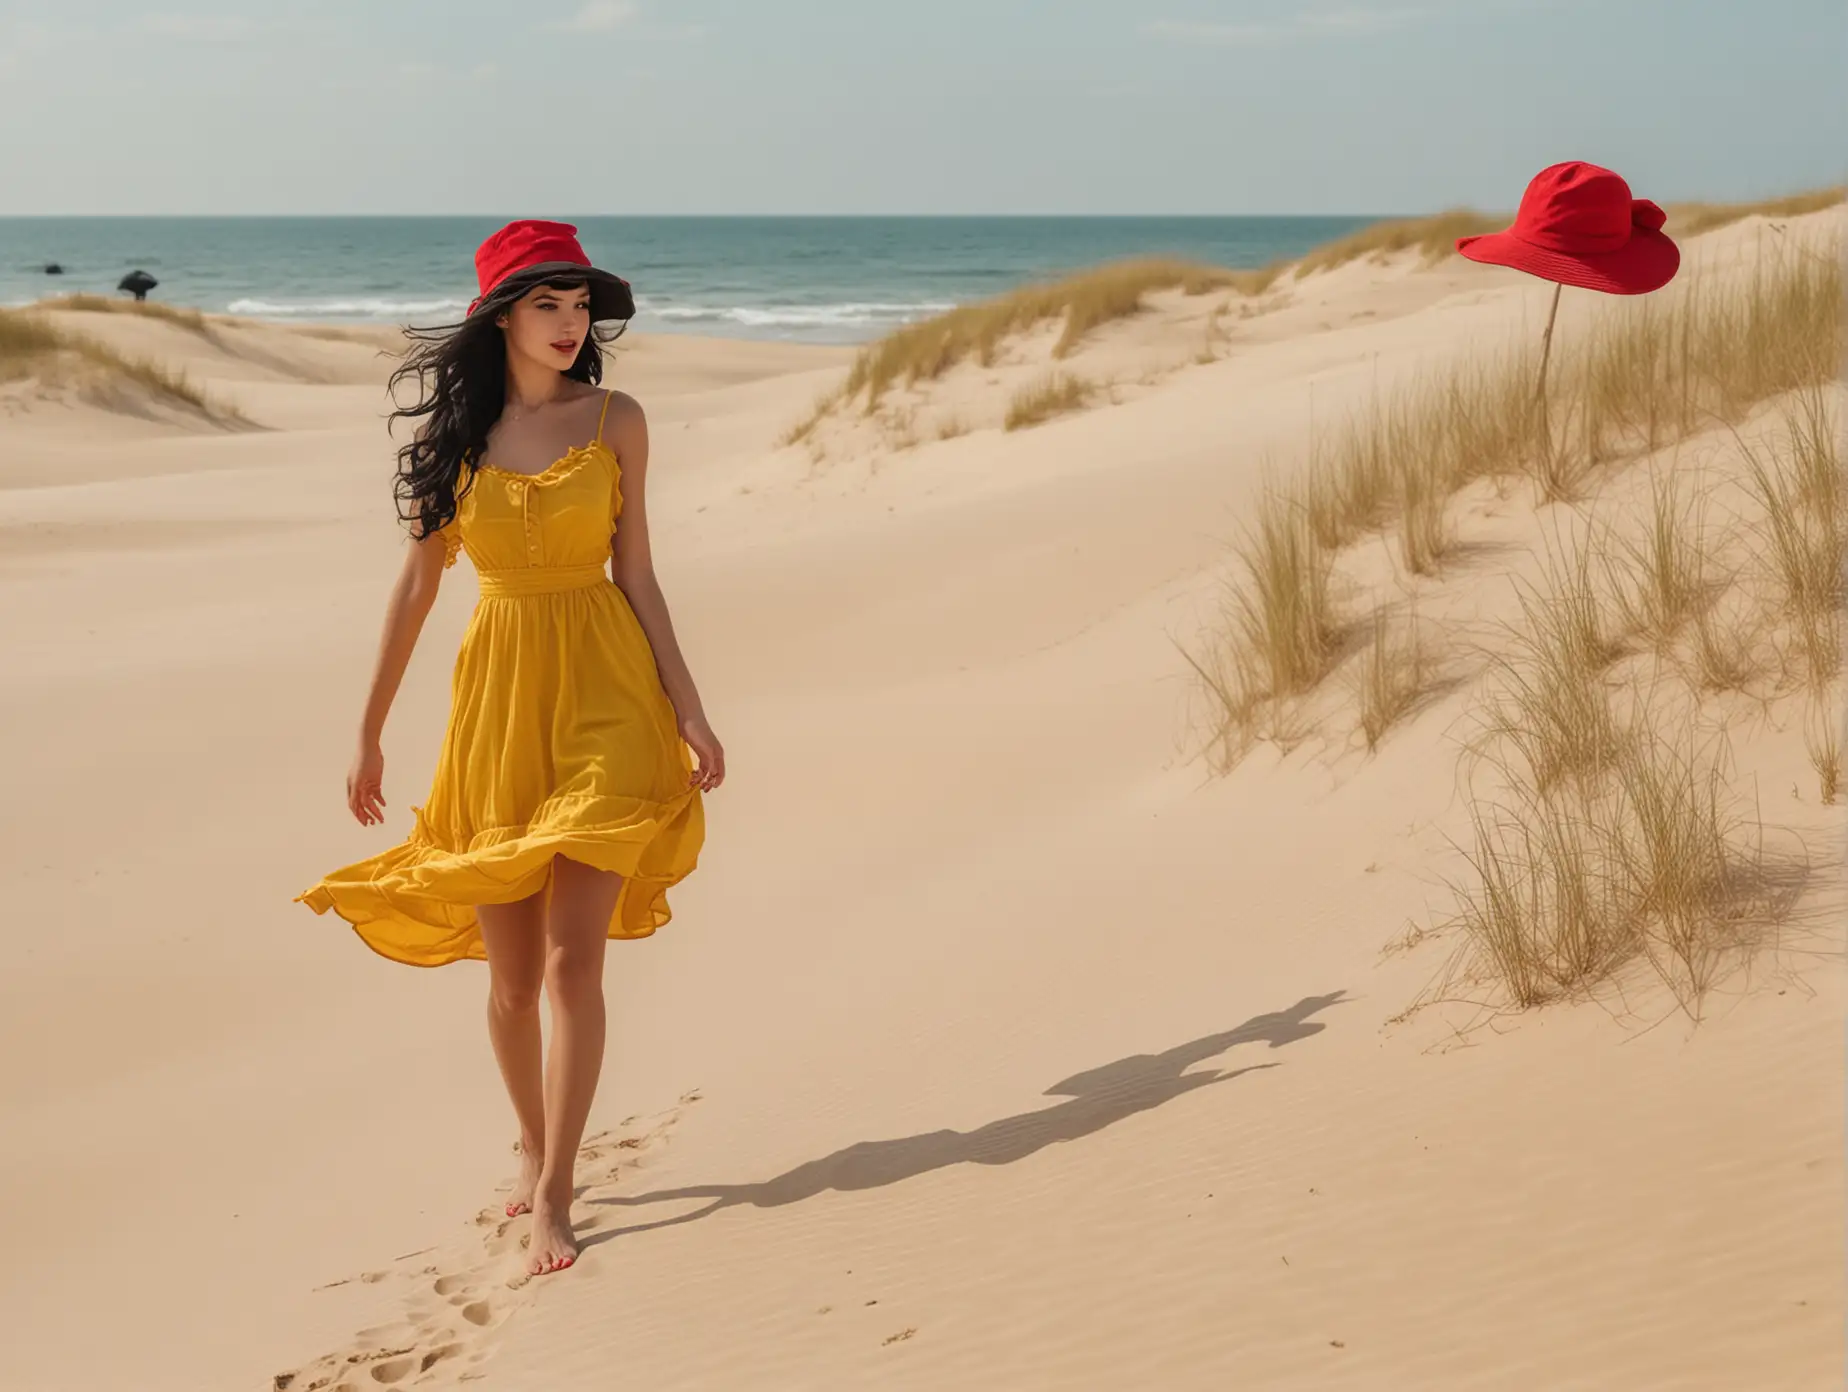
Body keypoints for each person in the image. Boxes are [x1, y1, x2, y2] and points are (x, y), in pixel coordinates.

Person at [298, 220, 723, 1277]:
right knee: (510, 978)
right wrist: (367, 728)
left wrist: (689, 706)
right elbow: (416, 587)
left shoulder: (617, 419)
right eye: (550, 305)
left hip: (607, 695)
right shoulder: (454, 443)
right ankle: (529, 1141)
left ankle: (557, 1190)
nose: (574, 325)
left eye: (582, 306)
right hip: (497, 707)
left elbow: (641, 574)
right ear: (502, 315)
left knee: (576, 965)